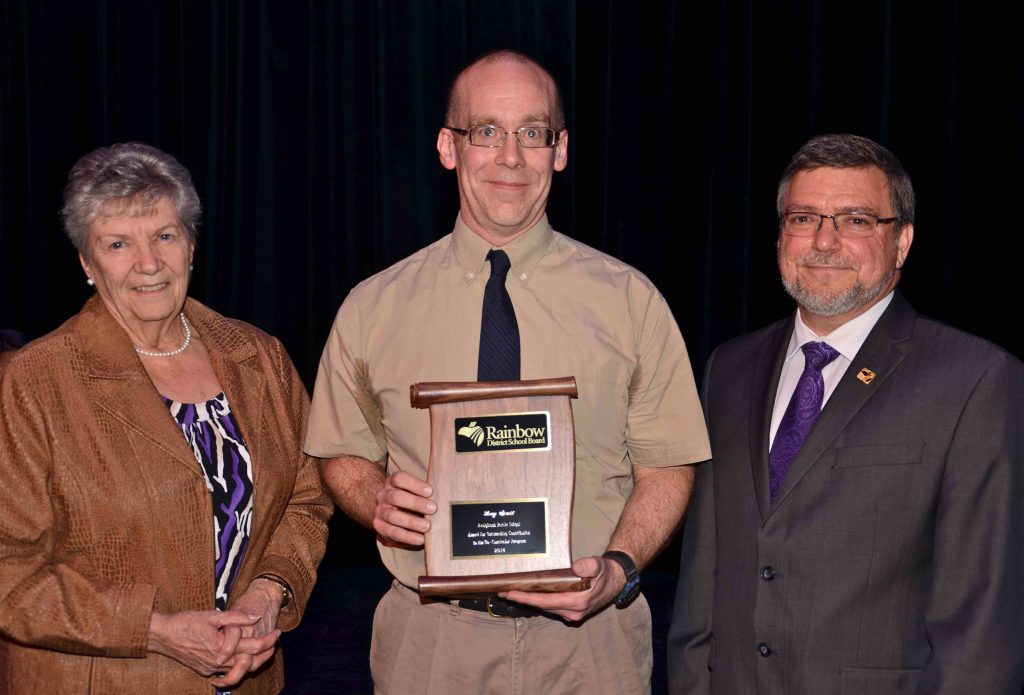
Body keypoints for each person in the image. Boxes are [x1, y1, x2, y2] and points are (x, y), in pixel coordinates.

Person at [304, 50, 711, 693]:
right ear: (448, 147)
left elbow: (668, 465)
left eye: (533, 133)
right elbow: (342, 455)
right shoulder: (373, 307)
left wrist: (619, 567)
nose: (511, 156)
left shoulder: (632, 302)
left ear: (561, 149)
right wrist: (373, 497)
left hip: (592, 647)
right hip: (430, 644)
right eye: (486, 131)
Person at [668, 134, 1024, 694]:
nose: (824, 241)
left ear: (902, 241)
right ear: (780, 234)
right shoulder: (729, 369)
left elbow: (981, 628)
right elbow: (700, 586)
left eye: (856, 220)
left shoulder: (974, 379)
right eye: (804, 217)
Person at [0, 142, 332, 693]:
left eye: (164, 236)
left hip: (248, 678)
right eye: (117, 244)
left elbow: (306, 498)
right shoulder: (34, 383)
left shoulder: (260, 358)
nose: (148, 263)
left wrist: (270, 592)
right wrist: (154, 630)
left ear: (192, 245)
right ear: (86, 262)